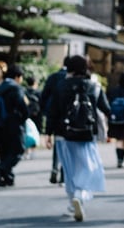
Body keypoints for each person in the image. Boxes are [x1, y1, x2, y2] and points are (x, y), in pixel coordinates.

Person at [47, 55, 110, 222]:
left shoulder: (60, 85)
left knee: (69, 171)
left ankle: (71, 203)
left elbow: (52, 111)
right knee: (86, 167)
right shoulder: (94, 86)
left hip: (63, 134)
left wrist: (48, 133)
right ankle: (80, 195)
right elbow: (106, 108)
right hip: (86, 134)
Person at [0, 63, 29, 187]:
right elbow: (23, 108)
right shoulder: (15, 88)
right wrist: (25, 117)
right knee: (18, 150)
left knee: (5, 152)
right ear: (18, 77)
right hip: (13, 124)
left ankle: (8, 177)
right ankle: (0, 168)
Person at [41, 56, 71, 185]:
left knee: (58, 144)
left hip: (53, 115)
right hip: (68, 117)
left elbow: (44, 96)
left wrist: (45, 112)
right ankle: (63, 174)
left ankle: (54, 168)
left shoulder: (53, 77)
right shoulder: (71, 79)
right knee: (67, 146)